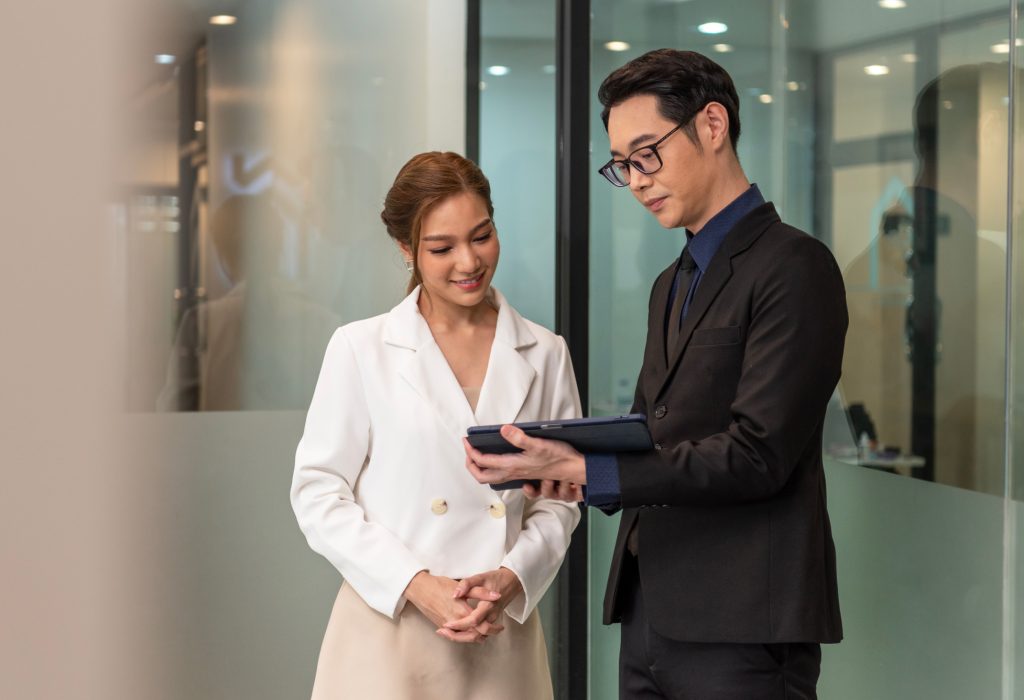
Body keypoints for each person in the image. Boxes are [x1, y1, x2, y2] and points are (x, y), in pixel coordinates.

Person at [463, 49, 847, 698]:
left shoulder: (794, 267)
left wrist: (596, 470)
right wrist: (560, 466)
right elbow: (654, 434)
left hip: (745, 627)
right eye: (622, 165)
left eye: (648, 154)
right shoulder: (671, 282)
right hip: (651, 612)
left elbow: (759, 454)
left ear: (713, 125)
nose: (637, 180)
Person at [290, 151, 581, 699]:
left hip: (499, 631)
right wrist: (416, 586)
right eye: (441, 248)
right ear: (406, 250)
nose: (468, 262)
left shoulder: (544, 352)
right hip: (389, 630)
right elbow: (318, 493)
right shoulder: (361, 349)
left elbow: (561, 497)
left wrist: (514, 577)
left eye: (482, 236)